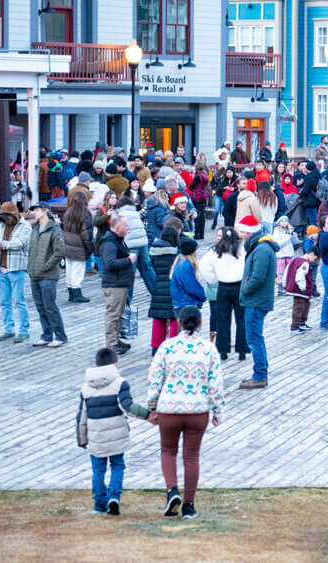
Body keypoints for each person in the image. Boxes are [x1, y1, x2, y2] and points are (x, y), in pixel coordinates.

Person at [146, 305, 224, 520]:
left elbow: (154, 379)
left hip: (169, 408)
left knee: (168, 451)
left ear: (178, 323)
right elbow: (216, 384)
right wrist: (217, 411)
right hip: (197, 410)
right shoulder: (208, 349)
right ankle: (189, 505)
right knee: (191, 456)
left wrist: (151, 406)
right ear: (200, 323)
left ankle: (172, 490)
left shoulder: (167, 347)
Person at [76, 346, 150, 515]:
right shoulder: (120, 383)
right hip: (117, 435)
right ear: (116, 364)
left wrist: (82, 439)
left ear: (95, 365)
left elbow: (82, 416)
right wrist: (147, 415)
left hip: (96, 437)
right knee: (117, 465)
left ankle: (99, 504)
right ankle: (114, 496)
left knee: (98, 470)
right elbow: (128, 406)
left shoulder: (85, 388)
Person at [238, 214, 278, 389]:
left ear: (249, 232)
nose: (240, 235)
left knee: (254, 339)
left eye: (242, 232)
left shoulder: (261, 249)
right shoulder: (260, 247)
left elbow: (257, 277)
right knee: (255, 338)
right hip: (256, 300)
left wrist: (245, 290)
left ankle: (260, 375)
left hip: (256, 301)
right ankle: (260, 373)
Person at [199, 227, 247, 360]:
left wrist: (213, 279)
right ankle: (242, 351)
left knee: (222, 319)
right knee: (241, 319)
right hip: (238, 286)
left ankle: (223, 350)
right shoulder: (241, 248)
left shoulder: (216, 250)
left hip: (223, 286)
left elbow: (203, 265)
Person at [0, 202, 31, 343]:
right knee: (5, 301)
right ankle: (9, 329)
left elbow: (19, 243)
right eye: (2, 216)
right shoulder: (1, 226)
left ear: (14, 214)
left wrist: (2, 244)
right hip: (0, 269)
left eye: (7, 216)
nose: (5, 219)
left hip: (17, 269)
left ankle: (24, 330)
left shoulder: (25, 226)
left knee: (20, 301)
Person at [98, 213, 135, 355]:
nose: (128, 228)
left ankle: (115, 340)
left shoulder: (116, 240)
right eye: (126, 226)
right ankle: (111, 343)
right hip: (114, 284)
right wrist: (128, 260)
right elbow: (110, 263)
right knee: (113, 314)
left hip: (119, 283)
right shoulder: (109, 242)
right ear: (118, 227)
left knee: (117, 314)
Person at [148, 224, 181, 354]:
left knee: (158, 319)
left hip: (158, 287)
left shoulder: (153, 252)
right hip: (173, 289)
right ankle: (173, 348)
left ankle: (156, 348)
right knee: (174, 318)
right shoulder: (176, 253)